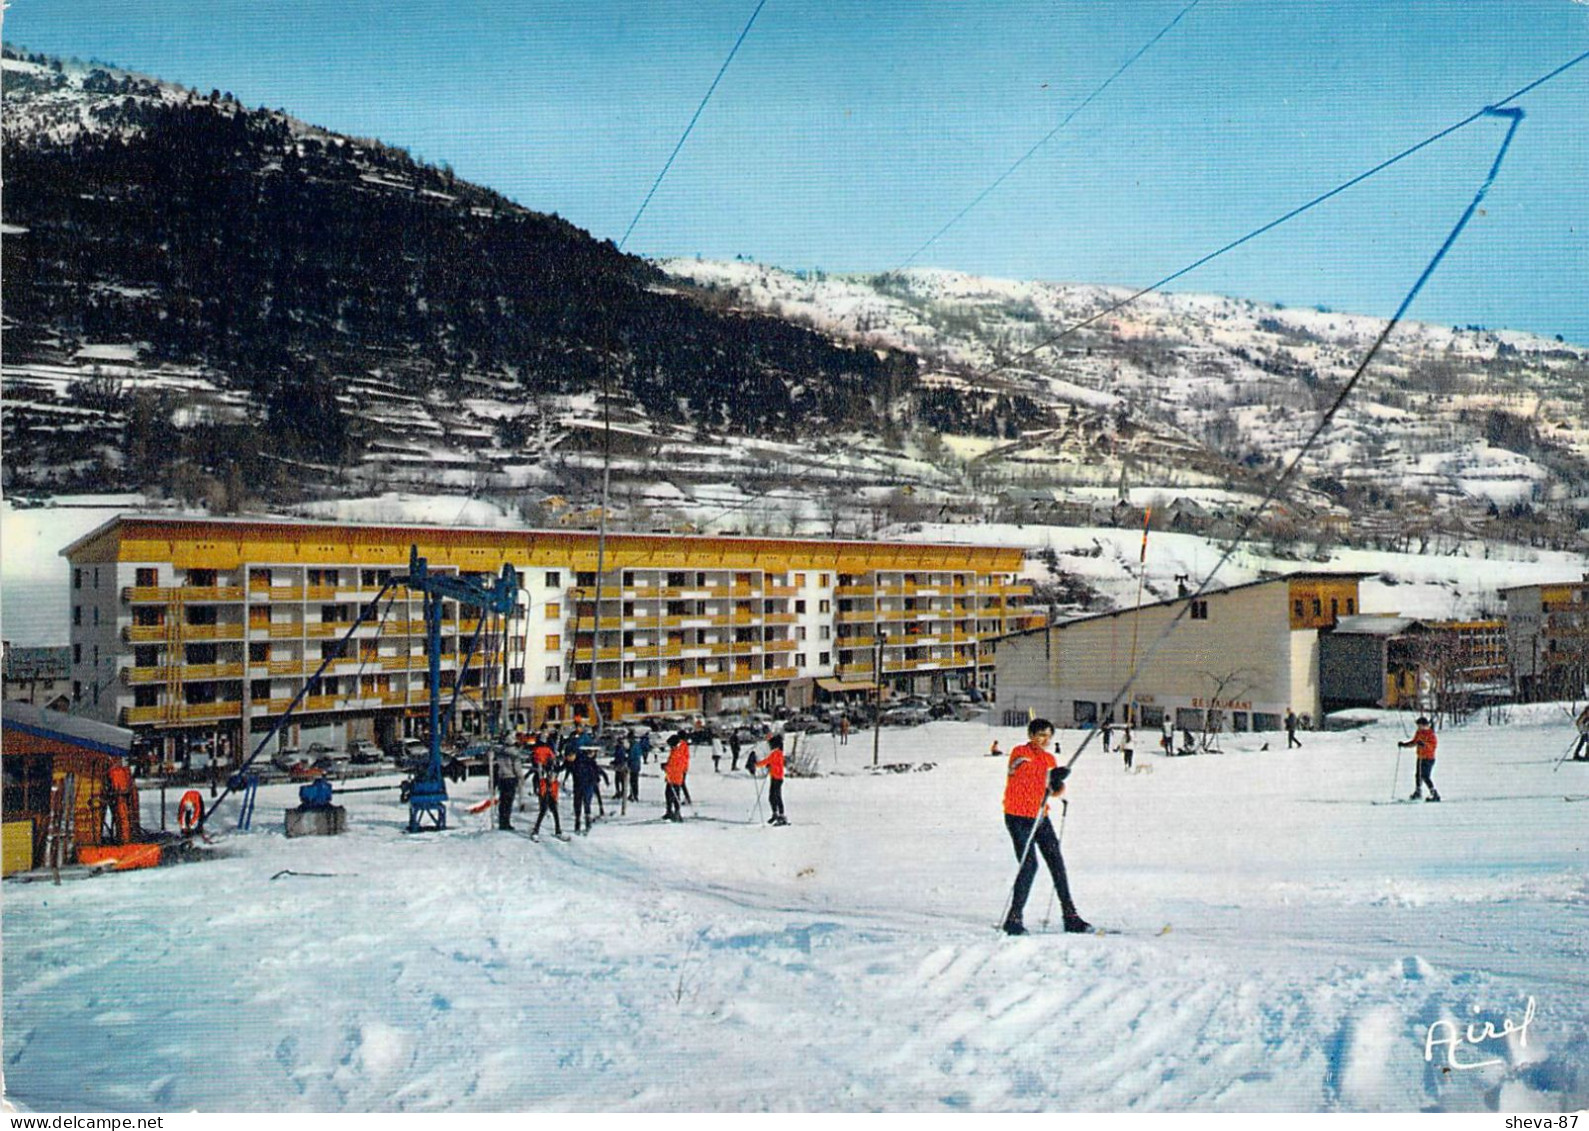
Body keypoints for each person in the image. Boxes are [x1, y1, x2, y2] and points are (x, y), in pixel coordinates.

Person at [1001, 718, 1089, 935]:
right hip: (1018, 816)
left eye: (1049, 736)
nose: (1045, 739)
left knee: (1056, 862)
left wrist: (1058, 784)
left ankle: (1070, 915)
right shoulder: (1019, 753)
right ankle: (1013, 918)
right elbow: (1024, 775)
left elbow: (1050, 789)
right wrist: (1050, 775)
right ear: (1031, 735)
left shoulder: (1049, 758)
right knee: (1029, 865)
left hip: (1040, 816)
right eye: (1041, 735)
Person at [567, 743, 608, 835]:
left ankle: (582, 824)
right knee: (582, 805)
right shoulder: (579, 762)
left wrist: (596, 779)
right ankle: (582, 824)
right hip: (582, 786)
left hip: (583, 786)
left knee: (582, 805)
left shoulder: (583, 761)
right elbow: (597, 771)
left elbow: (596, 770)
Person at [529, 734, 565, 839]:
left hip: (547, 785)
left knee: (553, 810)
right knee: (545, 810)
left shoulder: (539, 751)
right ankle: (536, 830)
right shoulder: (548, 752)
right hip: (545, 786)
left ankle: (557, 830)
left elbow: (535, 761)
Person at [1399, 716, 1440, 801]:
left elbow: (1432, 746)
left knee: (1425, 776)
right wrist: (1404, 745)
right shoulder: (1419, 732)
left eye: (1419, 725)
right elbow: (1414, 742)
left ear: (1424, 725)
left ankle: (1434, 793)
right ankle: (1418, 792)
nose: (1418, 727)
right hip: (1420, 757)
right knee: (1418, 775)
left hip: (1428, 758)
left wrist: (1424, 744)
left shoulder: (1430, 734)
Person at [752, 733, 788, 825]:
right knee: (774, 797)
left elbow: (765, 762)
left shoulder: (775, 754)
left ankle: (781, 815)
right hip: (776, 777)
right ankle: (776, 813)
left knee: (775, 797)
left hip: (776, 778)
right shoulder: (779, 753)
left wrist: (755, 764)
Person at [663, 731, 690, 822]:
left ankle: (677, 813)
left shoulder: (677, 753)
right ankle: (669, 811)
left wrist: (666, 767)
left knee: (674, 796)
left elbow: (675, 766)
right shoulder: (675, 751)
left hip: (675, 777)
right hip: (672, 777)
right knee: (668, 795)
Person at [492, 749, 521, 831]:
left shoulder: (500, 754)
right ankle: (506, 822)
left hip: (502, 779)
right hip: (511, 778)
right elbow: (517, 768)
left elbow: (496, 767)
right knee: (508, 802)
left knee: (503, 801)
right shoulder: (514, 754)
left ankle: (502, 822)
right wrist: (520, 778)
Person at [627, 731, 646, 800]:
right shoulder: (636, 745)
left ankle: (634, 795)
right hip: (636, 765)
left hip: (634, 765)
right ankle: (633, 794)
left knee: (633, 781)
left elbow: (632, 756)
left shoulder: (634, 745)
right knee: (634, 781)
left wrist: (628, 760)